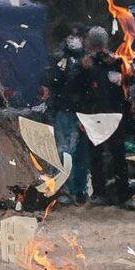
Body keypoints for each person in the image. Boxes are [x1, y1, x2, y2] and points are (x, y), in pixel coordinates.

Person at [67, 26, 134, 208]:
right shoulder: (85, 62)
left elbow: (129, 81)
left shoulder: (116, 60)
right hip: (93, 114)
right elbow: (73, 86)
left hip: (114, 114)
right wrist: (83, 68)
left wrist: (118, 64)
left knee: (118, 155)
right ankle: (99, 193)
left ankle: (123, 196)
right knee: (95, 155)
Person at [41, 29, 89, 203]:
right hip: (64, 111)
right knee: (65, 151)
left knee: (81, 153)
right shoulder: (59, 59)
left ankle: (79, 189)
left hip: (83, 112)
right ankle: (65, 188)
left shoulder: (87, 57)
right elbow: (56, 80)